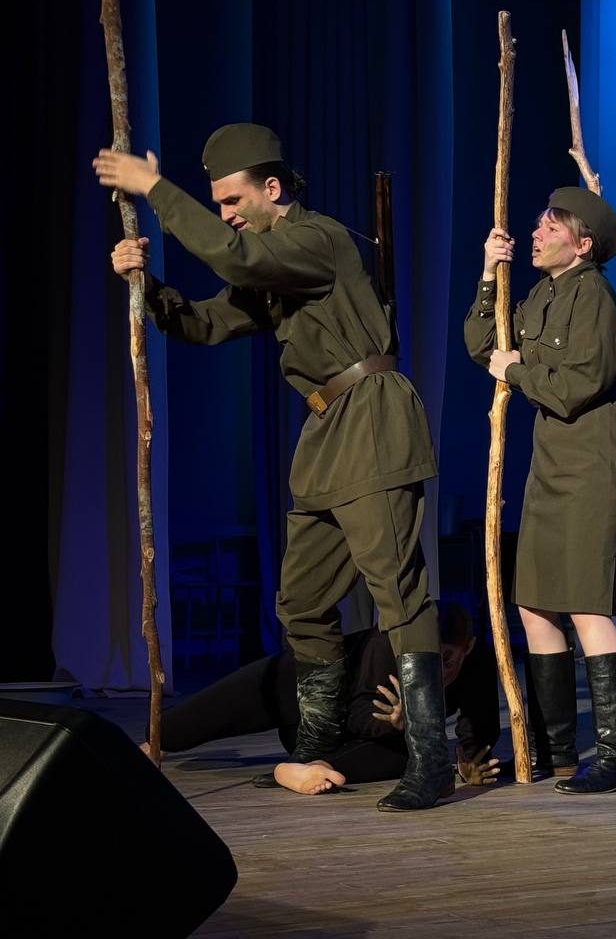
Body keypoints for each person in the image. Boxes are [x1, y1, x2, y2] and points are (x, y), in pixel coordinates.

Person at [95, 123, 449, 812]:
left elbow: (238, 260)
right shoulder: (272, 263)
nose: (227, 214)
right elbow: (205, 323)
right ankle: (316, 746)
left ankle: (430, 758)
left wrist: (155, 189)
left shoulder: (317, 241)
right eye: (219, 205)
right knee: (303, 602)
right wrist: (148, 286)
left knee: (396, 590)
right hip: (324, 430)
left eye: (233, 200)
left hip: (372, 416)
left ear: (274, 188)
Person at [464, 187, 616, 795]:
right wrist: (488, 274)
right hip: (548, 469)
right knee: (535, 606)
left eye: (550, 226)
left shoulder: (595, 298)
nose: (536, 233)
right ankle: (558, 752)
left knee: (587, 604)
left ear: (582, 245)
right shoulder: (541, 294)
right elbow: (482, 344)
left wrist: (515, 371)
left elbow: (575, 386)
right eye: (538, 223)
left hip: (591, 470)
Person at [144, 603, 501, 795]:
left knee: (408, 755)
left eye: (448, 660)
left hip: (337, 742)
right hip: (304, 694)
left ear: (468, 647)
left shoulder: (480, 663)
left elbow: (479, 727)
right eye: (430, 660)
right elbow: (359, 711)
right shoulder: (385, 646)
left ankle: (308, 769)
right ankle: (153, 745)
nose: (436, 673)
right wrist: (389, 720)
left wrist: (469, 760)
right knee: (168, 730)